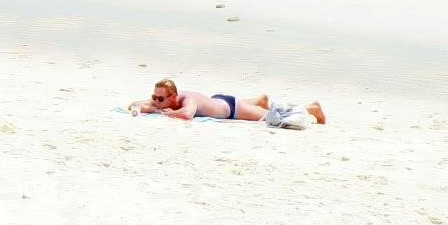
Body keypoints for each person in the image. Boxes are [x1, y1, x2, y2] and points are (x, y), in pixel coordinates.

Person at [127, 78, 324, 129]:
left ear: (172, 97)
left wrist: (164, 113)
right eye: (154, 97)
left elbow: (187, 116)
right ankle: (259, 99)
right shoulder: (162, 101)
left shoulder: (188, 100)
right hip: (219, 101)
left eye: (160, 98)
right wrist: (150, 107)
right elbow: (134, 104)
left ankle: (311, 108)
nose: (156, 101)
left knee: (272, 117)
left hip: (231, 109)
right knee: (261, 107)